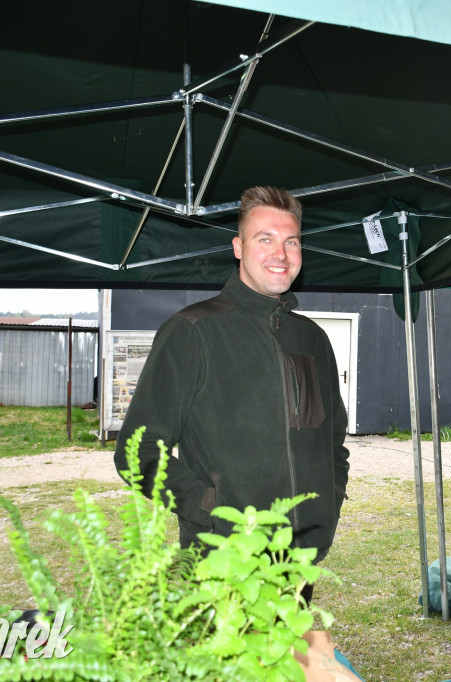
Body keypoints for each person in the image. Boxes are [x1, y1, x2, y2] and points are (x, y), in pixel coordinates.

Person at [113, 186, 350, 594]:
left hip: (297, 566)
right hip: (220, 567)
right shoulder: (192, 332)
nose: (281, 253)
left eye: (291, 241)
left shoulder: (312, 339)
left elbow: (331, 442)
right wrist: (211, 509)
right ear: (238, 248)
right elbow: (137, 453)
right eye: (265, 239)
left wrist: (327, 507)